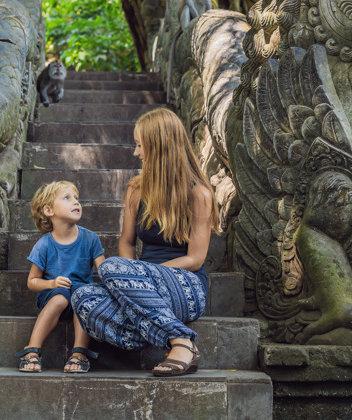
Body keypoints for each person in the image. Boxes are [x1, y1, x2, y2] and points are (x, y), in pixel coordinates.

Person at [72, 108, 219, 376]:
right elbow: (126, 243)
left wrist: (136, 276)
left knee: (110, 267)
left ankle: (182, 342)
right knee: (82, 298)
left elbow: (196, 258)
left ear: (159, 147)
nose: (135, 152)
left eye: (140, 145)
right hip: (140, 288)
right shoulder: (136, 189)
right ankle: (167, 335)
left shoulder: (199, 194)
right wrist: (130, 279)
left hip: (186, 286)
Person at [15, 181, 105, 373]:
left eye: (77, 199)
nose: (76, 203)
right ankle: (32, 350)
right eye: (67, 198)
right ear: (49, 210)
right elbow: (32, 282)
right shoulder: (45, 244)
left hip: (82, 299)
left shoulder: (91, 239)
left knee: (83, 295)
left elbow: (105, 271)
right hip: (54, 297)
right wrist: (51, 283)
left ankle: (79, 352)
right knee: (60, 297)